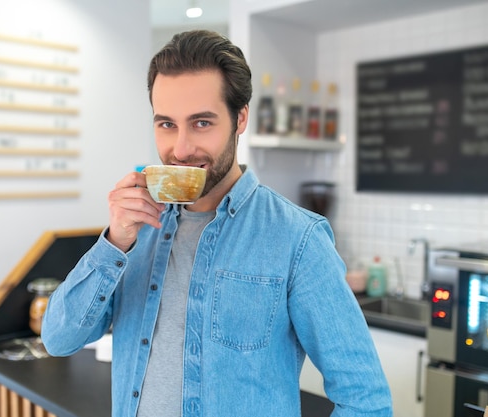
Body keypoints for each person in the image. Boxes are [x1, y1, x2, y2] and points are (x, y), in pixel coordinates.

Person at [42, 30, 392, 417]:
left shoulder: (299, 240)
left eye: (202, 123)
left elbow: (366, 400)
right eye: (166, 124)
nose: (180, 148)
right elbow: (59, 340)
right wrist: (113, 243)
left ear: (240, 119)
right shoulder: (136, 228)